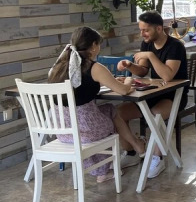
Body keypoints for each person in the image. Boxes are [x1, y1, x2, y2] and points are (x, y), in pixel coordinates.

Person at [47, 26, 146, 183]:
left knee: (107, 111)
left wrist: (111, 80)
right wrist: (128, 80)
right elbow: (123, 90)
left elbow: (79, 85)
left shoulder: (58, 67)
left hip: (62, 131)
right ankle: (133, 148)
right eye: (99, 44)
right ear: (93, 46)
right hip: (85, 131)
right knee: (111, 113)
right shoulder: (94, 67)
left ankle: (110, 163)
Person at [116, 10, 188, 179]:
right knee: (118, 113)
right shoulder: (146, 43)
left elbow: (168, 75)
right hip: (153, 93)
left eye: (146, 30)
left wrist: (150, 55)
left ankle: (157, 158)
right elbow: (142, 71)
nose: (142, 34)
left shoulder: (175, 46)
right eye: (141, 30)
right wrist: (129, 66)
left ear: (159, 29)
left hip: (174, 95)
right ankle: (131, 153)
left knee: (156, 115)